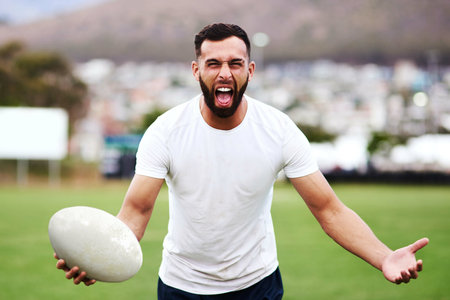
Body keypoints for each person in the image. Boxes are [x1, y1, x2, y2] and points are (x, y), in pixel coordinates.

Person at [55, 23, 429, 299]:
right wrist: (98, 256)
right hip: (181, 286)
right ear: (196, 70)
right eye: (213, 63)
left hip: (258, 285)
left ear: (249, 70)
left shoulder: (279, 130)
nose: (224, 73)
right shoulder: (165, 131)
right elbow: (136, 210)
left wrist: (384, 257)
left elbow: (329, 209)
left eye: (235, 63)